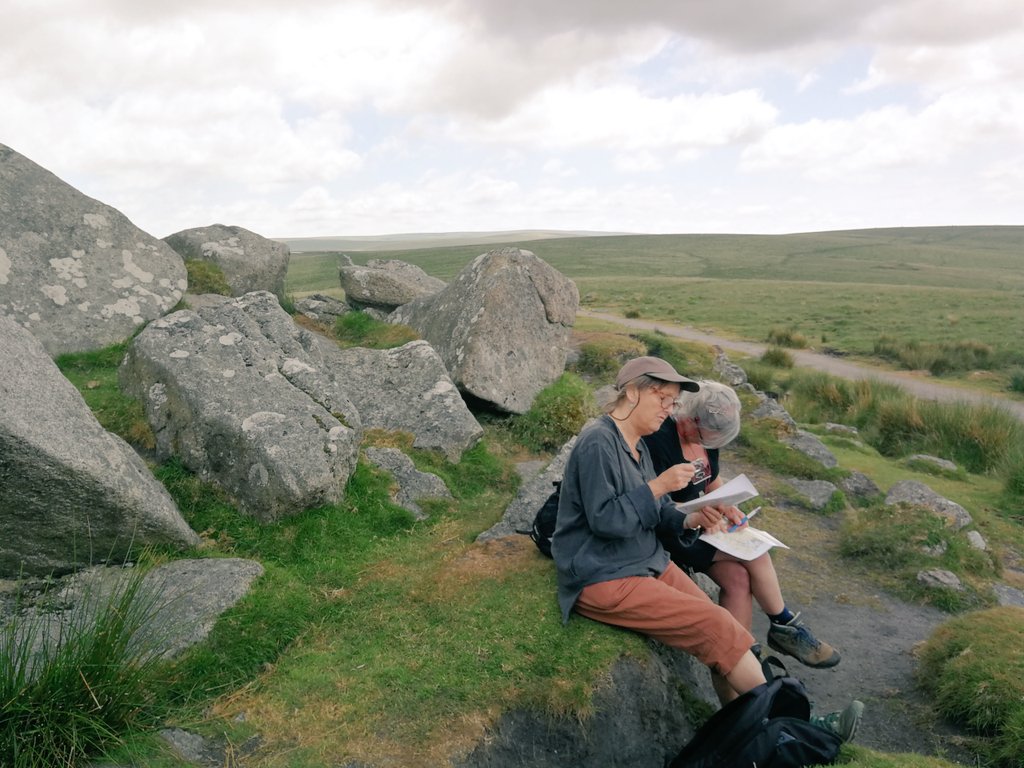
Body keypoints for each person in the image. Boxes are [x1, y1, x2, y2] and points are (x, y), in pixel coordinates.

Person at [550, 356, 863, 739]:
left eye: (672, 402)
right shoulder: (598, 441)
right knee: (716, 625)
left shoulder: (637, 445)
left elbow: (659, 512)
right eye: (663, 398)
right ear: (631, 391)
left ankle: (746, 723)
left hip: (643, 561)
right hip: (602, 575)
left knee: (727, 627)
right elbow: (607, 521)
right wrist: (659, 486)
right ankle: (804, 729)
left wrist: (690, 519)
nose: (669, 409)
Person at [642, 381, 841, 686]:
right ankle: (782, 626)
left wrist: (726, 505)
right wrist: (696, 515)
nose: (707, 442)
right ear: (690, 417)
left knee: (738, 577)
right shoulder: (659, 439)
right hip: (674, 531)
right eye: (702, 435)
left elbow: (711, 480)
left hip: (703, 524)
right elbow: (654, 499)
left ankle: (745, 653)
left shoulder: (707, 437)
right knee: (756, 553)